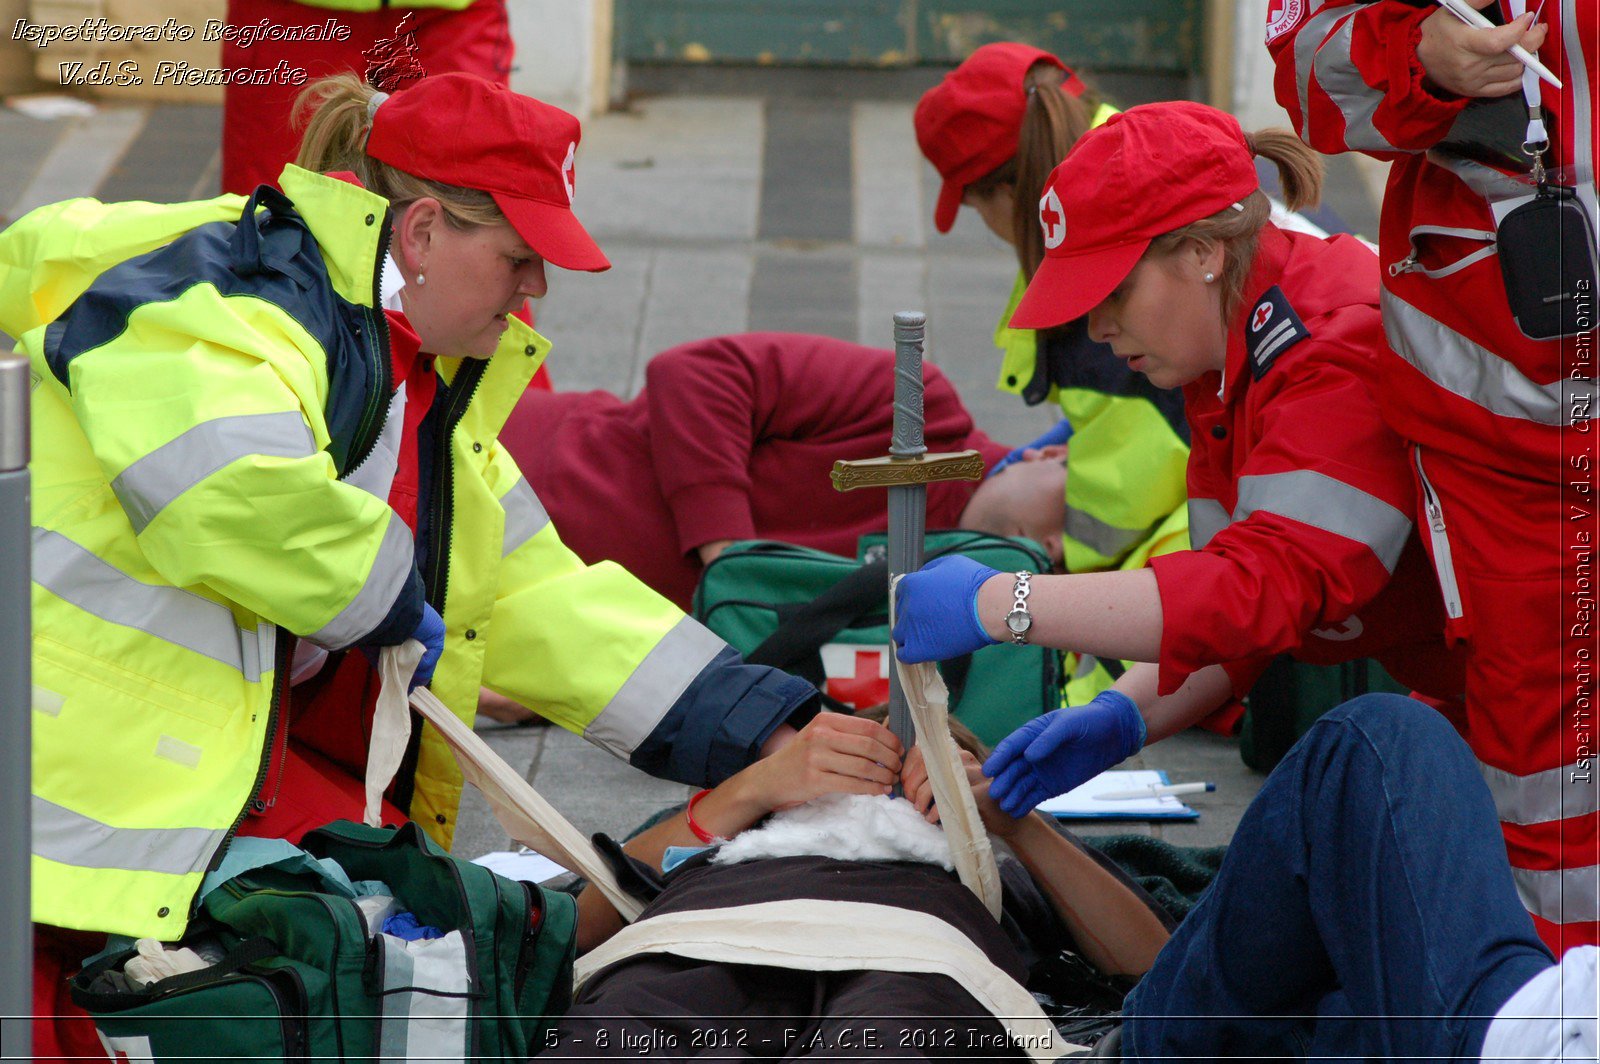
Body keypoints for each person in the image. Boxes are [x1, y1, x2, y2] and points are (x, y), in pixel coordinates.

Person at [1, 71, 817, 1057]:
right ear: (422, 232)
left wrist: (764, 722)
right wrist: (389, 593)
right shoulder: (228, 292)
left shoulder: (406, 374)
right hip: (68, 774)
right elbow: (223, 491)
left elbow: (532, 593)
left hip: (140, 780)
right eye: (520, 258)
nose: (536, 293)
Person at [893, 102, 1464, 818]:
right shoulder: (1225, 352)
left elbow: (1266, 587)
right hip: (1470, 688)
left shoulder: (1332, 346)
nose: (1096, 328)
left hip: (1543, 694)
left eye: (1113, 291)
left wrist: (1003, 604)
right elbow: (1237, 607)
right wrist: (1125, 713)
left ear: (1202, 251)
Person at [1268, 0, 1597, 952]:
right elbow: (1305, 66)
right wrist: (1417, 54)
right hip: (1508, 423)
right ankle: (1561, 1019)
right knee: (1551, 768)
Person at [555, 708, 1172, 1058]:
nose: (889, 754)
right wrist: (754, 789)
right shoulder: (752, 824)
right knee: (619, 1036)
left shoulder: (999, 856)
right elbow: (582, 923)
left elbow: (1157, 966)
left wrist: (1015, 820)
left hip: (916, 962)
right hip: (699, 945)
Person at [915, 45, 1191, 706]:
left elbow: (1124, 504)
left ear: (1007, 192)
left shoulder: (1092, 266)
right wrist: (1077, 439)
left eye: (976, 207)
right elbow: (1146, 418)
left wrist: (1047, 584)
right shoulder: (1132, 154)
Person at [496, 331, 1069, 613]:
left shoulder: (946, 594)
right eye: (1078, 516)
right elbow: (695, 373)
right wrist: (730, 557)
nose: (1055, 548)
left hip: (523, 609)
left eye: (1078, 567)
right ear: (1049, 454)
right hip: (521, 475)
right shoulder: (922, 409)